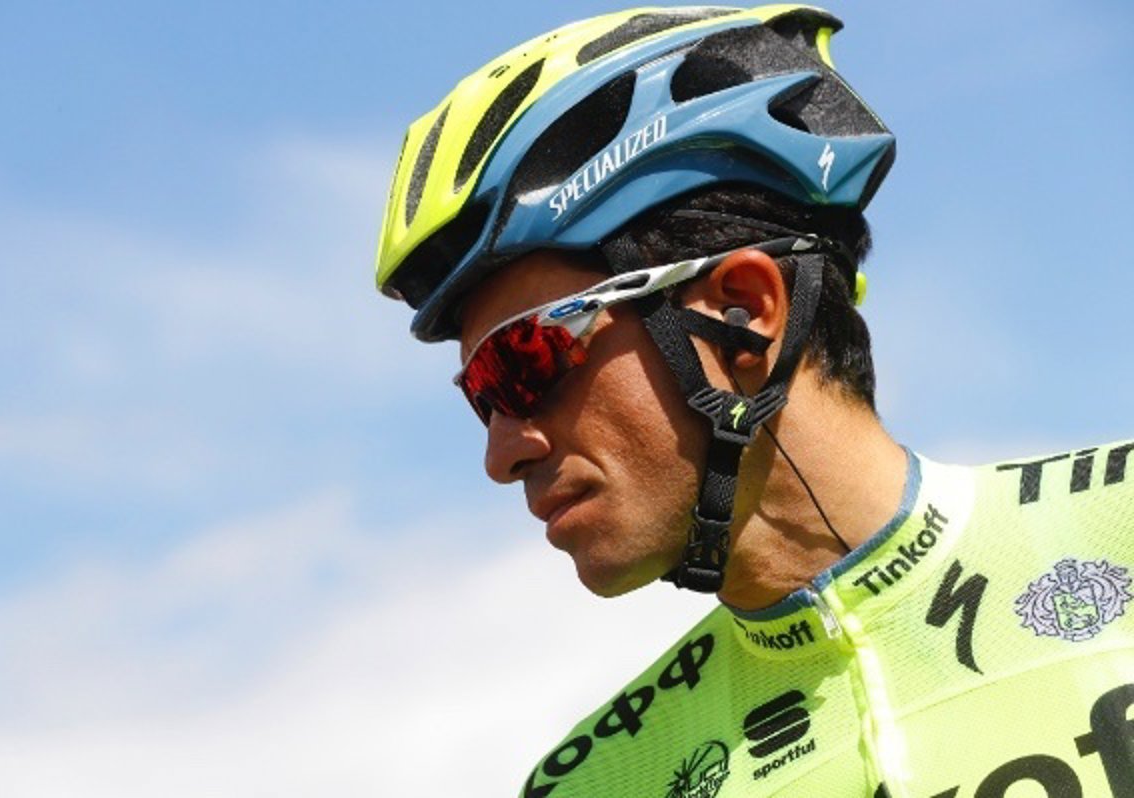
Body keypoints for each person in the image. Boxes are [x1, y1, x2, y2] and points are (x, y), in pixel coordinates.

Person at [373, 5, 1134, 796]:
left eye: (524, 362)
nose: (501, 454)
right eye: (481, 398)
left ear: (744, 310)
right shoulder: (596, 782)